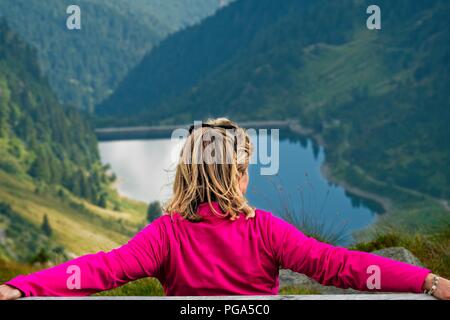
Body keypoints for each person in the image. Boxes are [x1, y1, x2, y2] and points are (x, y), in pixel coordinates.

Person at [1, 118, 449, 300]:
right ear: (235, 176)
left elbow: (99, 270)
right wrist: (427, 280)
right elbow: (340, 265)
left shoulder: (167, 235)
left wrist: (21, 288)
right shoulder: (266, 231)